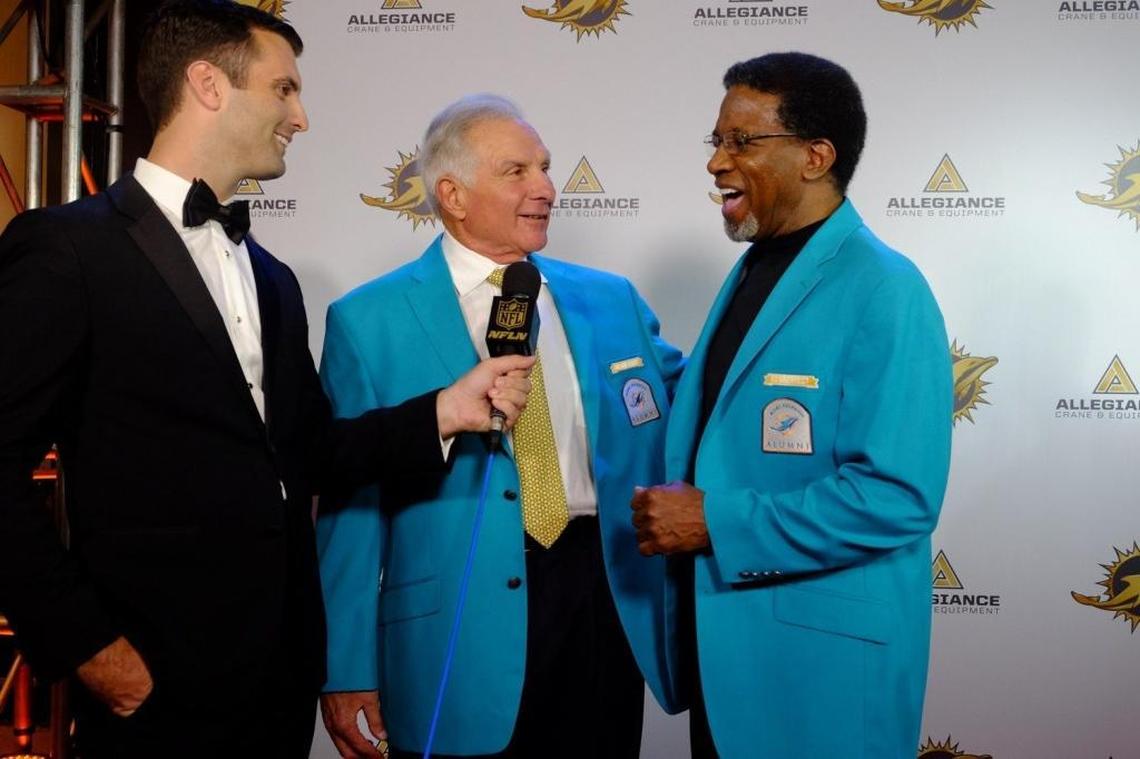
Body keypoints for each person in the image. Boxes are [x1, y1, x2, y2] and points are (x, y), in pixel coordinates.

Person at [0, 3, 530, 757]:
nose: (302, 116)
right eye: (284, 90)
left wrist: (446, 410)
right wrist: (90, 647)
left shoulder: (273, 279)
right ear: (208, 84)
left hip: (275, 689)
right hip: (149, 690)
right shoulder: (67, 251)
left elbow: (310, 453)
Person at [317, 94, 685, 759]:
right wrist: (344, 664)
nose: (546, 187)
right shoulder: (367, 321)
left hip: (599, 600)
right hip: (455, 630)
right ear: (453, 195)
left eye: (545, 167)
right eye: (517, 171)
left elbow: (687, 405)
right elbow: (349, 504)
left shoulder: (612, 299)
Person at [631, 52, 953, 758]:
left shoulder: (886, 289)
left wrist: (712, 520)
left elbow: (897, 496)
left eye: (741, 141)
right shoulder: (755, 269)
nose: (717, 162)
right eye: (715, 141)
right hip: (728, 667)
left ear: (815, 156)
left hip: (823, 684)